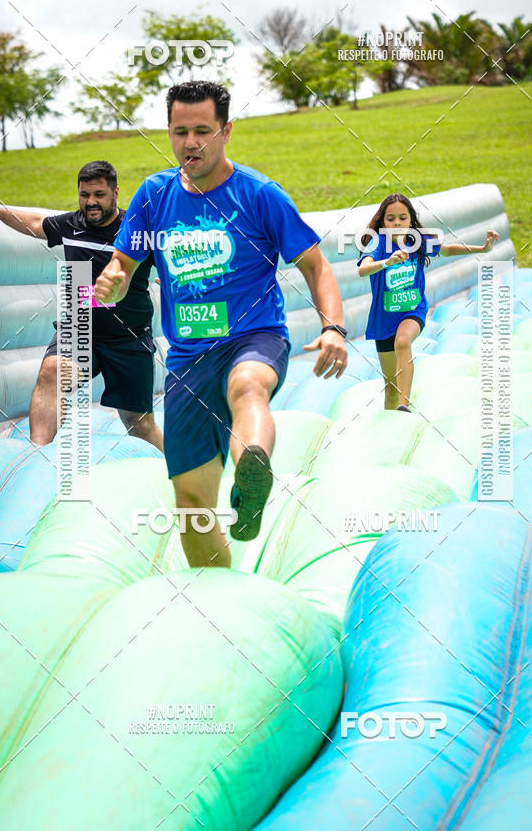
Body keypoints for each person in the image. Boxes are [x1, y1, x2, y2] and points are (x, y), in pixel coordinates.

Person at [94, 80, 347, 569]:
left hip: (255, 336)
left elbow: (316, 267)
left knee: (247, 385)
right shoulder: (154, 196)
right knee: (192, 507)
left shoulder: (260, 195)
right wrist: (113, 283)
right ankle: (216, 596)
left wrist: (333, 328)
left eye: (202, 131)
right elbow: (123, 269)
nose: (190, 143)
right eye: (179, 132)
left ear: (226, 131)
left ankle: (252, 472)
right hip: (189, 358)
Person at [0, 161, 163, 450]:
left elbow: (169, 264)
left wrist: (170, 283)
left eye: (99, 194)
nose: (91, 202)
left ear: (116, 192)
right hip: (81, 329)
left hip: (128, 338)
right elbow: (34, 222)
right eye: (84, 195)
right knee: (51, 372)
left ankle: (178, 471)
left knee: (139, 424)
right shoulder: (71, 225)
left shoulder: (136, 230)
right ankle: (38, 457)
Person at [357, 193, 498, 411]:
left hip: (413, 311)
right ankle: (392, 417)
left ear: (411, 220)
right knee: (391, 389)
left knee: (403, 341)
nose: (397, 223)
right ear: (383, 222)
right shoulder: (378, 243)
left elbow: (447, 250)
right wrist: (387, 262)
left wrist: (482, 249)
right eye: (391, 219)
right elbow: (363, 269)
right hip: (383, 319)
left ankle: (404, 406)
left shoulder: (417, 240)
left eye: (403, 218)